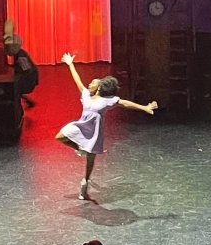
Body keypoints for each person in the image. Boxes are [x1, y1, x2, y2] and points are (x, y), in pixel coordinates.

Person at [55, 51, 157, 200]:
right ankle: (80, 149)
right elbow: (76, 79)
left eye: (94, 82)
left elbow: (125, 103)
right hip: (81, 126)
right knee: (59, 137)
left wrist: (145, 108)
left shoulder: (107, 101)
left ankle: (85, 182)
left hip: (94, 132)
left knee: (90, 161)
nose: (90, 83)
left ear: (100, 88)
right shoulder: (85, 95)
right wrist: (70, 64)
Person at [4, 32, 39, 109]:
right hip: (29, 76)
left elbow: (26, 69)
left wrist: (17, 75)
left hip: (29, 79)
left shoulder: (20, 56)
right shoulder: (20, 53)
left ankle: (18, 108)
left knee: (14, 88)